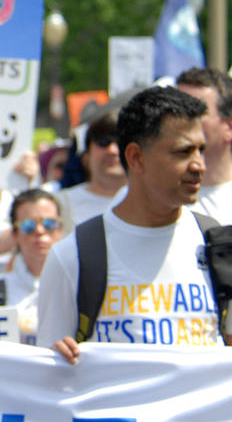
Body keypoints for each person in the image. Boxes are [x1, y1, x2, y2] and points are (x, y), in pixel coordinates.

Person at [38, 86, 225, 363]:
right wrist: (56, 360)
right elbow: (43, 380)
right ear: (136, 157)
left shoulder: (218, 246)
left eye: (200, 150)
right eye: (183, 152)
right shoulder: (73, 257)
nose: (198, 165)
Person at [0, 188, 64, 344]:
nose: (39, 231)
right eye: (28, 226)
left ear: (61, 229)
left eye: (49, 224)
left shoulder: (79, 285)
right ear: (15, 234)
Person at [176, 66, 232, 222]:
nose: (181, 119)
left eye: (196, 110)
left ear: (229, 127)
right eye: (174, 110)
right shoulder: (147, 196)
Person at [54, 111, 125, 231]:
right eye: (103, 141)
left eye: (120, 142)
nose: (112, 150)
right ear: (86, 156)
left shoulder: (157, 204)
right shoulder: (58, 204)